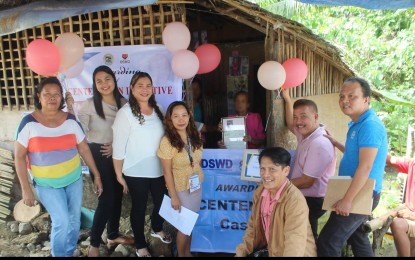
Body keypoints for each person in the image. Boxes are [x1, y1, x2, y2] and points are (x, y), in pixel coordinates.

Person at [14, 77, 103, 257]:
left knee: (74, 221)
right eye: (47, 94)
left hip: (74, 180)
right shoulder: (28, 123)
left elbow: (83, 148)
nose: (52, 98)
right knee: (61, 221)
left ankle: (68, 252)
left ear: (62, 97)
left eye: (57, 94)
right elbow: (19, 157)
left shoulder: (70, 120)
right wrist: (26, 189)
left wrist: (97, 175)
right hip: (46, 185)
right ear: (39, 96)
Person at [317, 77, 388, 257]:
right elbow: (356, 153)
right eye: (342, 96)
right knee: (357, 237)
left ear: (366, 99)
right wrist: (336, 143)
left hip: (361, 192)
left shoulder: (370, 125)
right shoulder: (358, 123)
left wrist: (348, 200)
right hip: (357, 189)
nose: (344, 101)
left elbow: (365, 166)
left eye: (351, 96)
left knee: (328, 241)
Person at [112, 72, 172, 257]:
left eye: (148, 85)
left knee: (163, 201)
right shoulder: (125, 113)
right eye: (140, 85)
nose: (145, 89)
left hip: (158, 167)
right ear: (131, 88)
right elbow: (119, 145)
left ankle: (156, 227)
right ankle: (140, 244)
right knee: (139, 206)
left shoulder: (158, 108)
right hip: (135, 169)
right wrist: (118, 174)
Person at [75, 65, 132, 257]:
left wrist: (116, 145)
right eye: (98, 81)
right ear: (94, 85)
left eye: (107, 79)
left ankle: (113, 235)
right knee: (106, 200)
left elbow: (131, 131)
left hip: (118, 155)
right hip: (98, 155)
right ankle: (93, 244)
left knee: (116, 197)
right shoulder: (90, 104)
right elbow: (76, 130)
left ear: (114, 80)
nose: (103, 84)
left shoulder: (124, 103)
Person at [235, 147, 316, 256]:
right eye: (262, 168)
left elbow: (295, 241)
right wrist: (241, 254)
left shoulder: (294, 200)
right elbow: (252, 230)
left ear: (286, 170)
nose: (266, 174)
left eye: (272, 169)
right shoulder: (259, 193)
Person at [281, 89, 336, 242]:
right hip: (305, 195)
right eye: (296, 117)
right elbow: (290, 123)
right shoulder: (306, 133)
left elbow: (307, 181)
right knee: (306, 235)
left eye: (303, 116)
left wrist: (278, 186)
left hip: (313, 198)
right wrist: (287, 100)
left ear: (315, 116)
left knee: (306, 238)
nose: (298, 122)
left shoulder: (319, 143)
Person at [157, 101, 204, 257]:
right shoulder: (167, 141)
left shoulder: (194, 135)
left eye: (184, 115)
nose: (181, 119)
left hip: (195, 186)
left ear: (189, 117)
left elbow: (196, 160)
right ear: (170, 119)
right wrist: (174, 196)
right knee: (184, 226)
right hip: (181, 188)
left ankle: (188, 253)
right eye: (176, 116)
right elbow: (166, 171)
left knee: (190, 224)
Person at [386, 154, 415, 256]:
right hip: (409, 220)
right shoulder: (412, 163)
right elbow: (390, 159)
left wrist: (413, 215)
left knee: (398, 225)